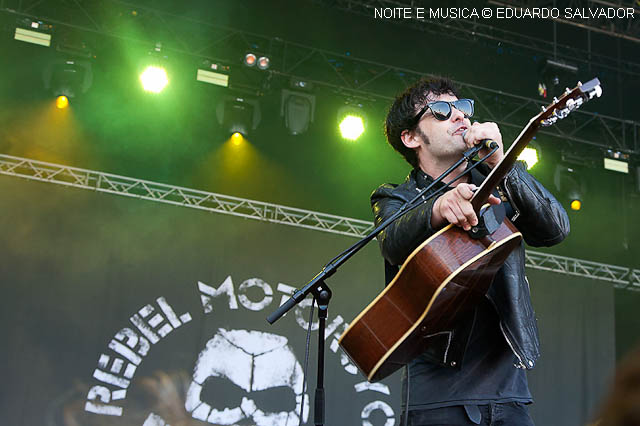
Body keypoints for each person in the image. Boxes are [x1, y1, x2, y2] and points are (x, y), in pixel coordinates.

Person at [372, 77, 570, 425]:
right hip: (437, 392)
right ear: (411, 137)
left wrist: (502, 163)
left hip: (509, 390)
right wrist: (436, 208)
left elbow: (555, 229)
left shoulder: (500, 180)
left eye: (463, 108)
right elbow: (393, 242)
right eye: (442, 111)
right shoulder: (395, 197)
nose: (460, 116)